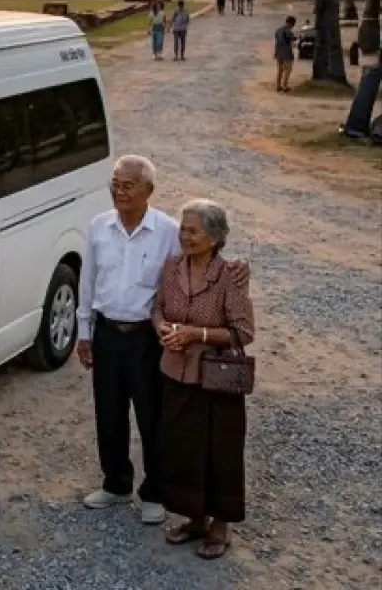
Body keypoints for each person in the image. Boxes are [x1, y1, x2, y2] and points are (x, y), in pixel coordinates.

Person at [76, 156, 248, 527]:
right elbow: (87, 282)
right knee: (108, 412)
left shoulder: (169, 231)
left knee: (152, 416)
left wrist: (237, 266)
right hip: (107, 332)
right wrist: (84, 332)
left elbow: (203, 257)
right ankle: (116, 483)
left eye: (128, 185)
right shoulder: (98, 227)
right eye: (115, 183)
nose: (119, 191)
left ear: (148, 191)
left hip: (146, 339)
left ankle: (154, 491)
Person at [153, 200, 254, 560]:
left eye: (193, 230)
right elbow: (159, 308)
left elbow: (243, 332)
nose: (184, 236)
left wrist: (196, 334)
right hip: (175, 374)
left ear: (214, 237)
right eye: (182, 228)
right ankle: (195, 518)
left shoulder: (230, 276)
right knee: (182, 447)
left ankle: (220, 526)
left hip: (215, 380)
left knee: (220, 452)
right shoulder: (171, 268)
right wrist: (163, 328)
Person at [274, 15, 297, 92]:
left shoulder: (278, 30)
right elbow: (293, 38)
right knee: (288, 69)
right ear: (291, 23)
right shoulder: (288, 31)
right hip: (286, 53)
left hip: (278, 52)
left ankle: (278, 85)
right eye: (293, 25)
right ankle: (285, 86)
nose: (292, 27)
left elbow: (277, 40)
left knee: (280, 70)